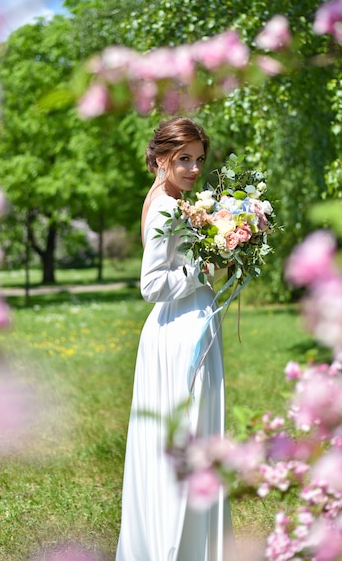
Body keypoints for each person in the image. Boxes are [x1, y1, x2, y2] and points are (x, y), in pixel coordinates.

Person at [115, 117, 233, 561]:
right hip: (181, 330)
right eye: (184, 158)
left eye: (199, 159)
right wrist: (203, 264)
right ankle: (175, 549)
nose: (193, 168)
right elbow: (150, 285)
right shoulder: (166, 204)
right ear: (162, 156)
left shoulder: (172, 197)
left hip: (187, 325)